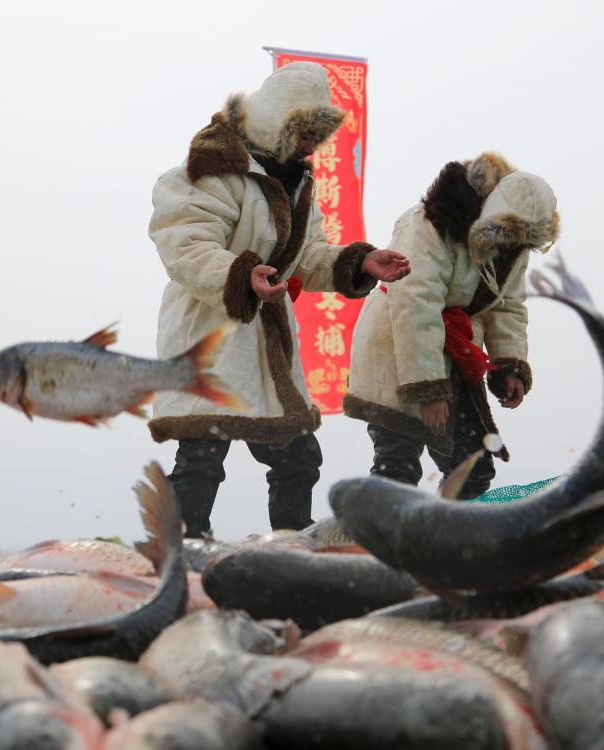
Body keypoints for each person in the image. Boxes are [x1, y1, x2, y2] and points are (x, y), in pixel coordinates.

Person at [146, 62, 411, 536]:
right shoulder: (208, 169)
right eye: (304, 131)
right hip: (212, 331)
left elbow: (306, 257)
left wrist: (361, 262)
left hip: (268, 342)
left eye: (317, 134)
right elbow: (185, 243)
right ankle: (180, 551)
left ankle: (291, 547)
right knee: (203, 453)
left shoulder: (297, 182)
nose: (312, 144)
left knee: (299, 458)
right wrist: (241, 276)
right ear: (278, 122)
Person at [344, 152, 559, 498]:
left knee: (472, 468)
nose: (511, 245)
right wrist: (427, 389)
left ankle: (450, 542)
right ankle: (378, 543)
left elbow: (506, 306)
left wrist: (510, 365)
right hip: (397, 349)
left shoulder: (514, 248)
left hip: (455, 351)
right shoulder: (427, 225)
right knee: (397, 464)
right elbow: (416, 306)